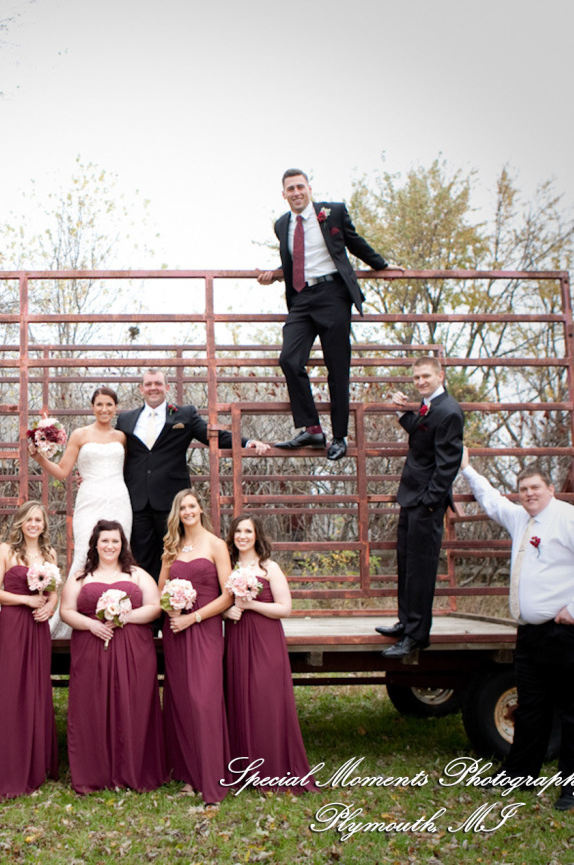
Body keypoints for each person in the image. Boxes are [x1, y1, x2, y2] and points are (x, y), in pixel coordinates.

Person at [460, 449, 574, 811]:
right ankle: (520, 773)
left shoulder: (571, 519)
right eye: (523, 489)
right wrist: (468, 469)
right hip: (533, 634)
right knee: (531, 706)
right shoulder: (521, 520)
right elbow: (492, 501)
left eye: (535, 488)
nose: (528, 494)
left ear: (550, 489)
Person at [256, 169, 394, 461]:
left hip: (333, 295)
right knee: (289, 359)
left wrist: (382, 266)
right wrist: (276, 275)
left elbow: (355, 244)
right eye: (290, 189)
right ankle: (313, 429)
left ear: (309, 189)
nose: (296, 193)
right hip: (301, 299)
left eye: (300, 187)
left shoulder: (333, 212)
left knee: (337, 366)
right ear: (284, 195)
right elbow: (292, 260)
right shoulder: (282, 224)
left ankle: (340, 436)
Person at [116, 368, 268, 580]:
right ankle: (149, 606)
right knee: (141, 555)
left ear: (167, 388)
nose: (153, 388)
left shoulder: (184, 415)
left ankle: (174, 602)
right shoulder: (126, 420)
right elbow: (114, 451)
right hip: (137, 499)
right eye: (149, 384)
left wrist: (246, 442)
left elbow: (212, 436)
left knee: (174, 553)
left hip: (172, 499)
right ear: (141, 389)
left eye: (158, 383)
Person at [59, 520, 167, 793]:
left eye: (115, 541)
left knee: (133, 703)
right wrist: (92, 624)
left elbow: (154, 607)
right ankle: (94, 770)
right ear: (95, 543)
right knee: (91, 705)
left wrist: (125, 616)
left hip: (133, 649)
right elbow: (66, 611)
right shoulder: (82, 576)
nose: (110, 546)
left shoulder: (138, 574)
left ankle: (133, 767)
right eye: (104, 541)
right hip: (91, 647)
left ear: (123, 545)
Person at [222, 515, 318, 794]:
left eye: (248, 531)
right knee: (239, 698)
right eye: (238, 530)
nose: (242, 536)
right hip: (238, 640)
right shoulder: (227, 567)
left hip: (265, 640)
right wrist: (228, 610)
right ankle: (244, 770)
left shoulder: (269, 567)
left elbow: (284, 608)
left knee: (266, 700)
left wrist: (251, 606)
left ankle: (272, 770)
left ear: (257, 535)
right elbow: (220, 604)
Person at [379, 356, 464, 658]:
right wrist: (403, 412)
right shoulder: (429, 406)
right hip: (411, 499)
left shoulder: (449, 411)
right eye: (416, 378)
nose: (420, 382)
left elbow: (448, 463)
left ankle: (417, 635)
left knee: (421, 569)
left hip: (426, 503)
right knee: (406, 563)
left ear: (441, 374)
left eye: (425, 376)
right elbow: (422, 436)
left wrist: (430, 502)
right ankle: (406, 622)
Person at [159, 489, 233, 805]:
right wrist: (172, 609)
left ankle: (212, 779)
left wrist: (195, 617)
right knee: (181, 700)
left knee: (204, 700)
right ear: (177, 514)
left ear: (200, 509)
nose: (188, 511)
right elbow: (161, 589)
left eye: (192, 506)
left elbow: (228, 595)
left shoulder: (216, 545)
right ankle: (189, 776)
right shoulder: (171, 550)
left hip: (204, 628)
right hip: (176, 628)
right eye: (182, 507)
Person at [0, 501, 59, 800]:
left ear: (44, 524)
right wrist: (25, 601)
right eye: (29, 519)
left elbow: (53, 592)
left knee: (36, 688)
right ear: (20, 522)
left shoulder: (49, 554)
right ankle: (5, 765)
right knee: (8, 687)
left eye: (38, 519)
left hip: (38, 627)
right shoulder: (6, 551)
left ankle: (35, 765)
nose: (34, 524)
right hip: (12, 624)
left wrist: (50, 607)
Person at [28, 386, 132, 577]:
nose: (104, 409)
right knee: (85, 550)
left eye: (109, 404)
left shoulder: (122, 437)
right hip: (89, 499)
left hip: (119, 500)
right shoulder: (80, 435)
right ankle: (76, 602)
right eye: (99, 404)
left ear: (116, 407)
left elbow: (128, 471)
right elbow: (61, 472)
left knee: (119, 551)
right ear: (92, 407)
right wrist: (39, 459)